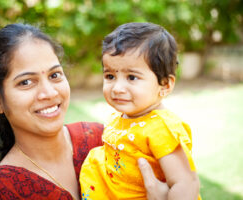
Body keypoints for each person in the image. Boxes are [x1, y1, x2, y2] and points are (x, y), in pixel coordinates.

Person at [0, 23, 170, 200]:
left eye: (55, 75)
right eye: (26, 82)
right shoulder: (0, 190)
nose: (49, 93)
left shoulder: (101, 140)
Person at [80, 22, 201, 200]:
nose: (117, 88)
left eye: (132, 77)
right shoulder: (122, 116)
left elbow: (185, 183)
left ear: (165, 85)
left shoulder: (162, 128)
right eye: (110, 76)